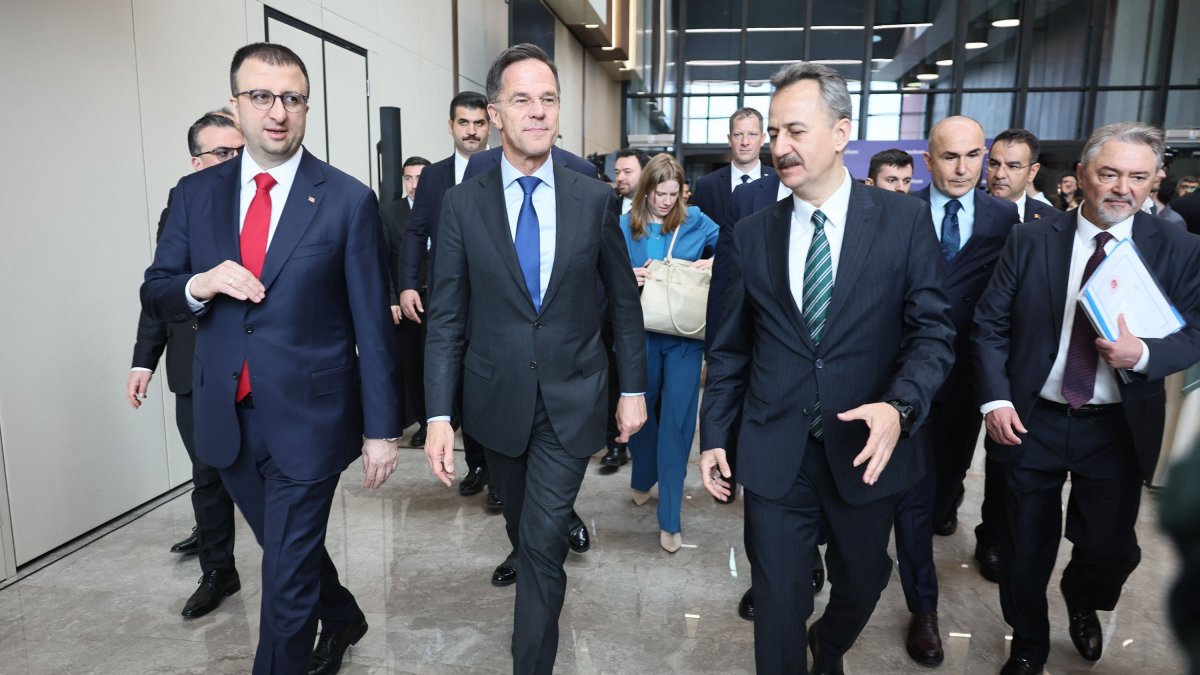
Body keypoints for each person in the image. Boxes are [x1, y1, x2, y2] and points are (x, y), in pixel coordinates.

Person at [141, 43, 403, 675]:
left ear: (306, 106)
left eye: (291, 98)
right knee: (290, 550)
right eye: (261, 97)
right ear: (237, 104)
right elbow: (157, 288)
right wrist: (201, 284)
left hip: (310, 419)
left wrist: (381, 429)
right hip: (224, 415)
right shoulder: (195, 194)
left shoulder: (345, 200)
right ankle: (342, 616)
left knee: (283, 583)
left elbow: (373, 322)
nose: (277, 112)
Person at [699, 61, 955, 674]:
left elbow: (933, 333)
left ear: (842, 132)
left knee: (864, 583)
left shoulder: (901, 220)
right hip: (773, 450)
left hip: (866, 447)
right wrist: (714, 437)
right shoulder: (752, 231)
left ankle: (830, 645)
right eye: (774, 134)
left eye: (797, 131)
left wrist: (900, 408)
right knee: (779, 606)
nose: (779, 148)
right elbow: (730, 346)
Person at [422, 43, 647, 675]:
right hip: (496, 402)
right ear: (495, 113)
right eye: (522, 100)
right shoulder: (464, 204)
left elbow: (624, 306)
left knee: (543, 543)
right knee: (523, 530)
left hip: (573, 398)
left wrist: (634, 390)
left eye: (548, 99)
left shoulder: (592, 198)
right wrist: (439, 415)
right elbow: (445, 318)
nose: (538, 111)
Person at [973, 122, 1200, 675]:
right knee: (1025, 547)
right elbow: (989, 325)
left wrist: (1143, 355)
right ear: (1081, 176)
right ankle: (1028, 642)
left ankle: (1083, 596)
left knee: (1108, 548)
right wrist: (995, 401)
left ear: (1155, 181)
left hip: (1116, 427)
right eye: (1110, 173)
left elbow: (1194, 331)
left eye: (1139, 177)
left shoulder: (1178, 247)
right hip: (1032, 419)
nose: (1123, 187)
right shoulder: (1031, 239)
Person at [900, 116, 1020, 665]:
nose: (964, 168)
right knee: (916, 499)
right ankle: (924, 610)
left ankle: (939, 509)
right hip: (903, 377)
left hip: (965, 381)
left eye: (975, 156)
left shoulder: (1004, 216)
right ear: (928, 161)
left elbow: (1007, 302)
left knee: (945, 484)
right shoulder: (898, 213)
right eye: (951, 157)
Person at [127, 110, 242, 620]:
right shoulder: (182, 207)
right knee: (207, 474)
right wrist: (142, 362)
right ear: (197, 163)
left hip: (255, 366)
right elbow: (162, 293)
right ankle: (219, 568)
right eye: (222, 153)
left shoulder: (267, 202)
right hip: (194, 365)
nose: (233, 161)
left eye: (239, 151)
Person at [398, 91, 496, 502]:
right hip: (449, 294)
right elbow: (415, 229)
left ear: (489, 125)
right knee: (459, 385)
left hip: (496, 296)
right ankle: (477, 465)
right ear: (451, 125)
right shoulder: (435, 176)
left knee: (496, 383)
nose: (471, 131)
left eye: (478, 123)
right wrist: (406, 284)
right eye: (463, 123)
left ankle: (503, 472)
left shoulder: (501, 169)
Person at [620, 153, 718, 552]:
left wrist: (708, 264)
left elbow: (734, 248)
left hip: (683, 337)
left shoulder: (696, 220)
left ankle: (671, 518)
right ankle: (643, 476)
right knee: (641, 415)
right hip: (638, 336)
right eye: (660, 193)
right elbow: (600, 269)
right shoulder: (627, 225)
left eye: (674, 194)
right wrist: (629, 274)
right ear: (646, 190)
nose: (666, 201)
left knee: (678, 423)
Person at [381, 156, 431, 435]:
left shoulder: (444, 206)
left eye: (420, 178)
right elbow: (384, 260)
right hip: (407, 303)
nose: (413, 185)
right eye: (408, 179)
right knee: (413, 365)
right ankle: (424, 422)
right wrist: (391, 298)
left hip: (440, 298)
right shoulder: (390, 213)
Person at [690, 107, 776, 228]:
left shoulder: (780, 182)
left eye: (752, 134)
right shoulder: (706, 186)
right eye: (738, 135)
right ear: (729, 139)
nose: (745, 142)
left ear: (762, 139)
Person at [987, 129, 1060, 223]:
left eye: (1013, 166)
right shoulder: (968, 211)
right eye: (994, 164)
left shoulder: (1052, 220)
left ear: (1032, 172)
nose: (999, 174)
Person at [612, 147, 649, 215]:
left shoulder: (656, 205)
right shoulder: (609, 202)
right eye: (617, 173)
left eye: (627, 172)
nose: (620, 178)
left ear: (644, 173)